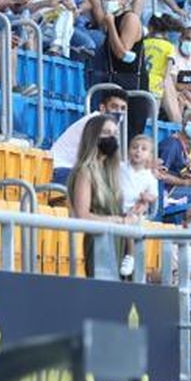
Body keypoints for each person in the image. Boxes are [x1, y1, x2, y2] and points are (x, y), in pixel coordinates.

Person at [66, 113, 136, 277]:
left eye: (115, 134)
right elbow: (83, 215)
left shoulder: (111, 172)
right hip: (99, 245)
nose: (111, 138)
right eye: (106, 133)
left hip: (119, 241)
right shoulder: (85, 171)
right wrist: (118, 220)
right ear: (93, 137)